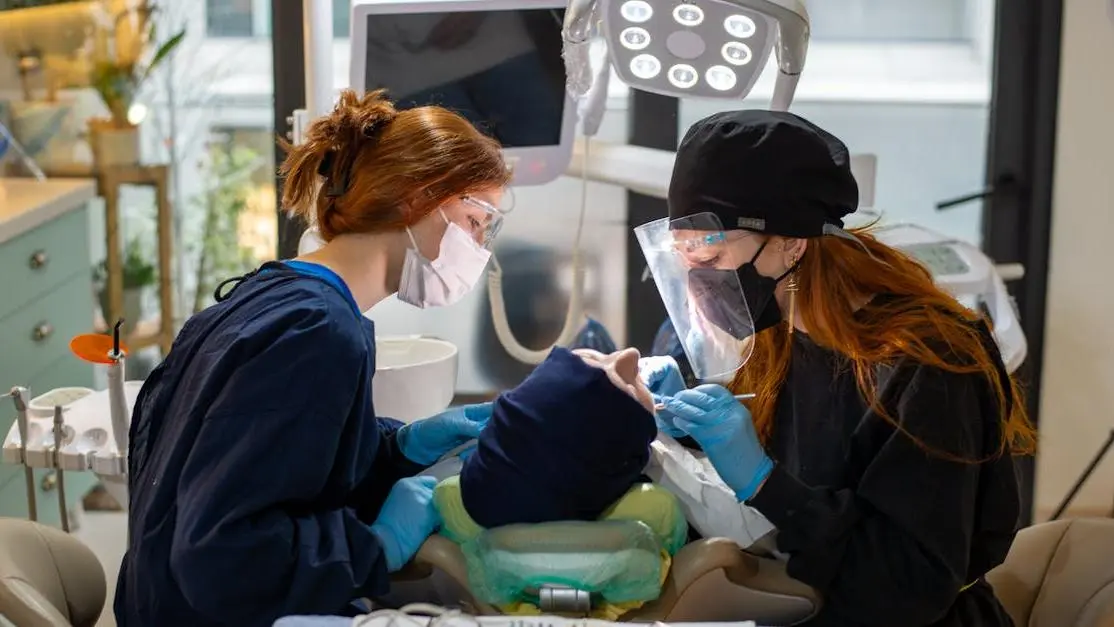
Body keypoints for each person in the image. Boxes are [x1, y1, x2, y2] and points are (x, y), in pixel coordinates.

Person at [115, 89, 513, 627]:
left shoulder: (277, 294)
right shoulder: (318, 333)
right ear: (419, 199)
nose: (480, 247)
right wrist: (372, 545)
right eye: (475, 220)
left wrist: (394, 449)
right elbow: (223, 556)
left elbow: (275, 465)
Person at [639, 110, 1036, 627]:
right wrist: (680, 434)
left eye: (710, 256)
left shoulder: (927, 363)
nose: (696, 282)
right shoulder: (762, 334)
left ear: (791, 242)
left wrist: (764, 482)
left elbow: (904, 585)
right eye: (682, 255)